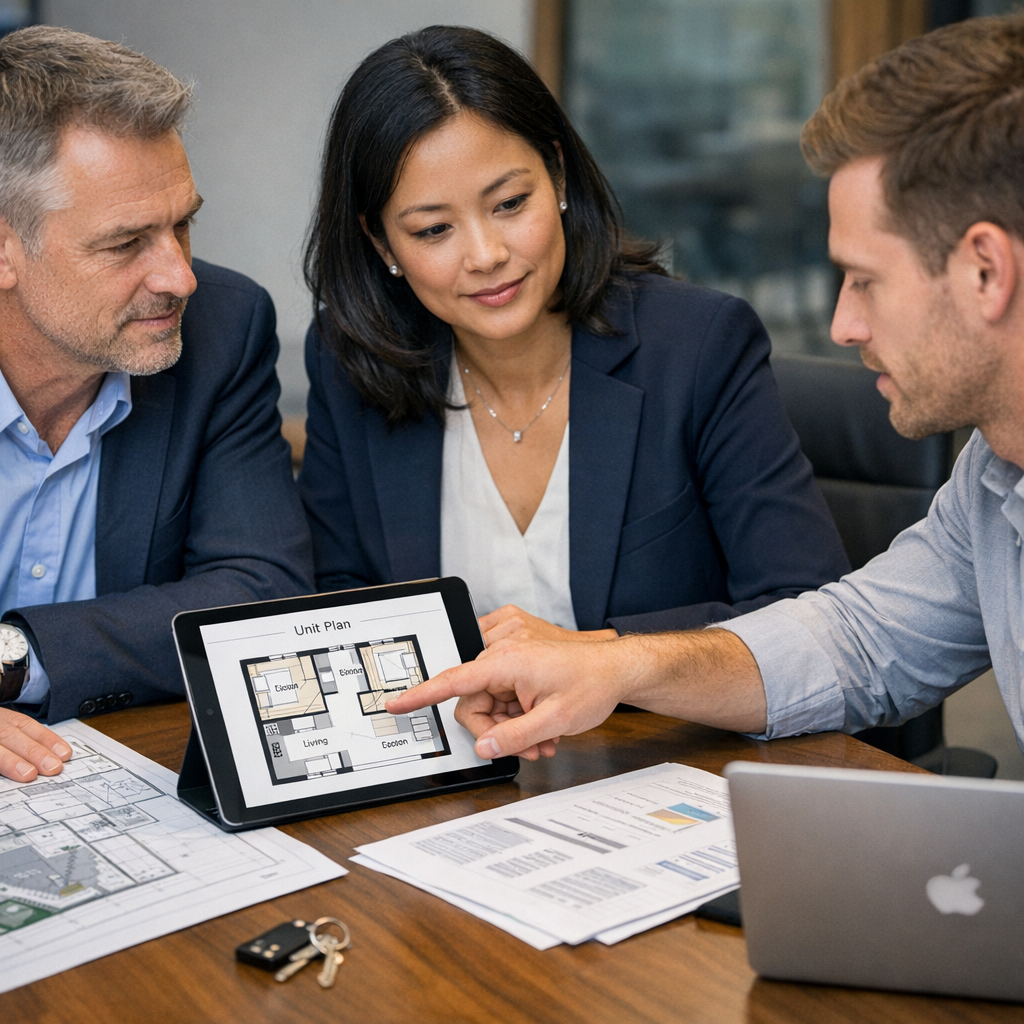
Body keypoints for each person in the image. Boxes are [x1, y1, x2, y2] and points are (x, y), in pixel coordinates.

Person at [387, 13, 1024, 764]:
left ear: (985, 270)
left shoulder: (697, 342)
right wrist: (616, 663)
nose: (844, 325)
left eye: (865, 281)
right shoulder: (991, 477)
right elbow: (854, 642)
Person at [299, 26, 849, 661]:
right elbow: (332, 608)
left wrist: (593, 660)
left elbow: (804, 612)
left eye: (509, 203)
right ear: (380, 242)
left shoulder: (697, 347)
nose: (486, 255)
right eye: (433, 229)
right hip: (465, 751)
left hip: (667, 748)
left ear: (558, 175)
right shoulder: (348, 361)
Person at [0, 27, 314, 783]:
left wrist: (13, 658)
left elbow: (260, 593)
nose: (179, 277)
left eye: (183, 225)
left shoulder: (224, 329)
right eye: (125, 243)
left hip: (109, 774)